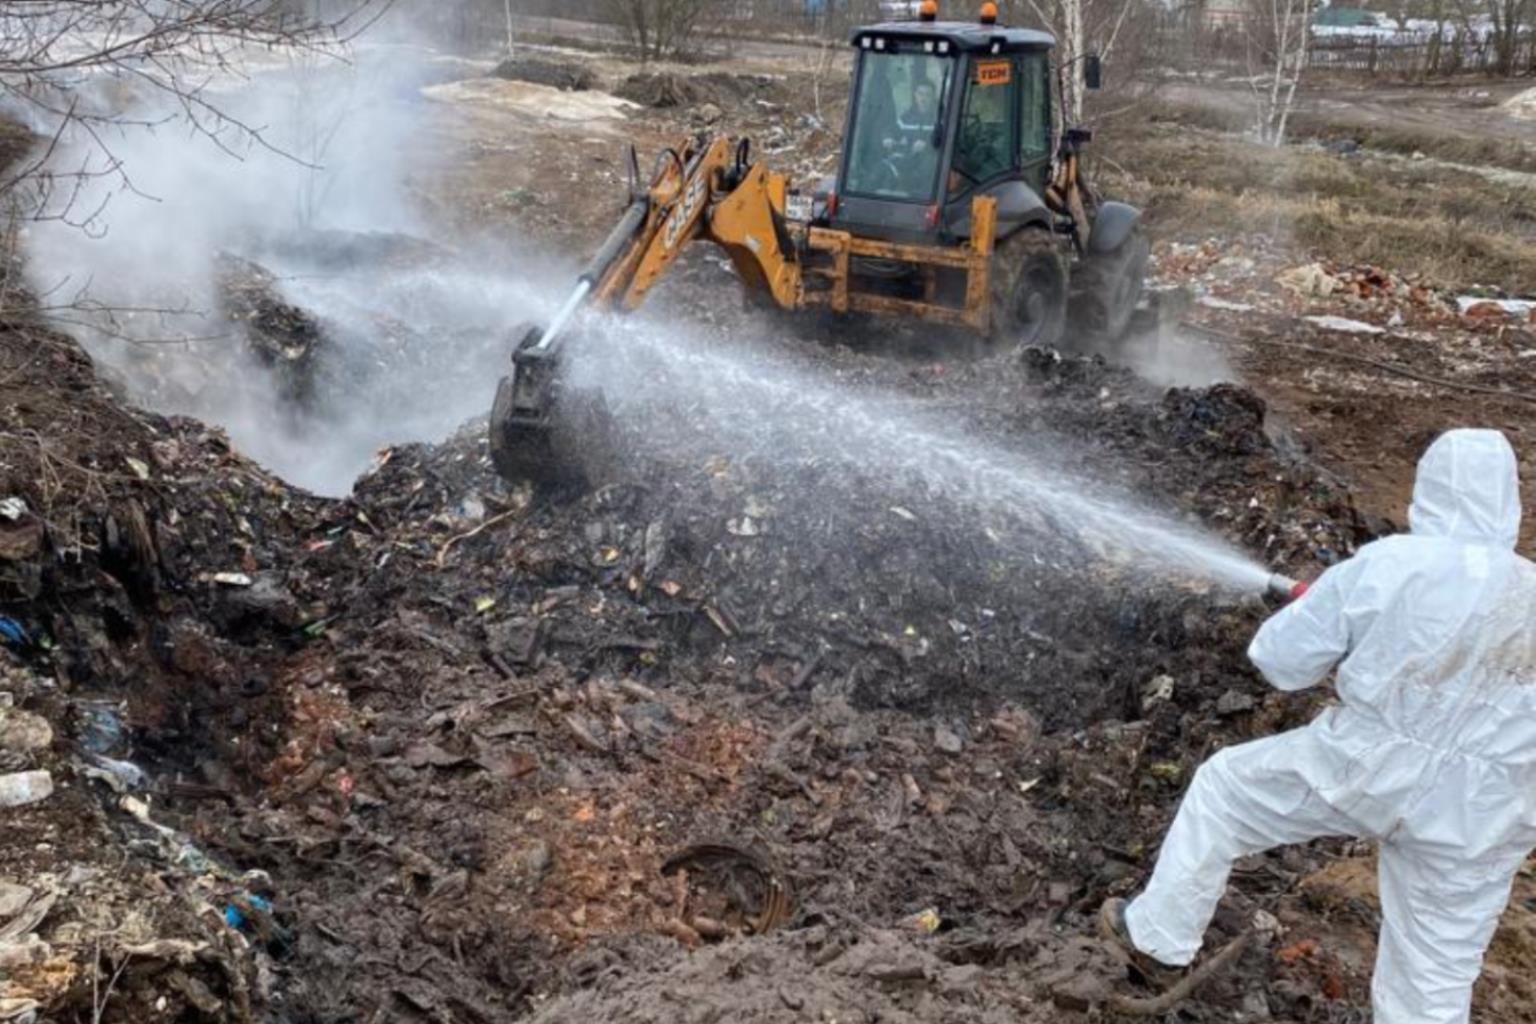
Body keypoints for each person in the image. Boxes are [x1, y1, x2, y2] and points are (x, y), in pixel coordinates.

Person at [1100, 428, 1536, 1024]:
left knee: (1225, 790)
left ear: (1428, 490)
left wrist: (1323, 617)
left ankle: (1157, 942)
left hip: (1366, 764)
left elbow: (1280, 663)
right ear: (1509, 500)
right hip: (1488, 807)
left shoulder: (1391, 564)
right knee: (1432, 977)